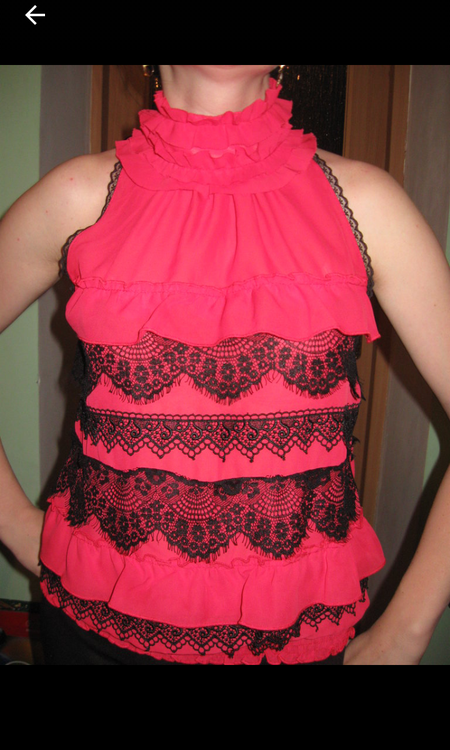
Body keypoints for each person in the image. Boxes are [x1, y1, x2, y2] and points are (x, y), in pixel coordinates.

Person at [0, 65, 449, 665]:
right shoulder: (77, 195)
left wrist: (405, 632)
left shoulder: (368, 206)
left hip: (293, 641)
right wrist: (16, 525)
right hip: (91, 631)